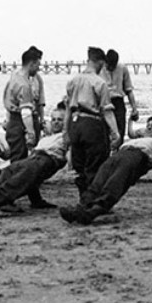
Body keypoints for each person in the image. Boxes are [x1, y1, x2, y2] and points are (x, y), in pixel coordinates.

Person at [59, 116, 152, 225]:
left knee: (115, 182)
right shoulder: (140, 137)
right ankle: (82, 207)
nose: (150, 128)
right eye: (149, 126)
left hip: (137, 156)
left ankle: (94, 211)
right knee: (100, 178)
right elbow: (131, 132)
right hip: (121, 153)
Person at [0, 106, 67, 218]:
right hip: (30, 159)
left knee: (9, 188)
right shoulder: (46, 138)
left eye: (60, 120)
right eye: (54, 120)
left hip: (43, 160)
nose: (56, 123)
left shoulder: (66, 137)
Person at [64, 47, 120, 200]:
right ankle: (91, 199)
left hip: (75, 123)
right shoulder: (99, 82)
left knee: (80, 166)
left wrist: (65, 132)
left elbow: (68, 108)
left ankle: (83, 196)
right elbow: (107, 111)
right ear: (100, 62)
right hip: (92, 123)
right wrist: (116, 132)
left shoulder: (73, 80)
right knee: (95, 164)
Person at [3, 46, 52, 210]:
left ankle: (34, 197)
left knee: (29, 163)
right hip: (22, 122)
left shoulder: (19, 79)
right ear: (31, 63)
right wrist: (30, 132)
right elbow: (24, 111)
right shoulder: (22, 83)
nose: (39, 67)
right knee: (18, 163)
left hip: (25, 120)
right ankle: (7, 200)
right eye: (38, 63)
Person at [100, 49, 139, 141]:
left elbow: (129, 90)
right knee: (104, 131)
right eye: (109, 66)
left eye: (113, 66)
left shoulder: (122, 68)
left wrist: (134, 108)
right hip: (105, 102)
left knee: (120, 130)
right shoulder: (100, 69)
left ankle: (118, 150)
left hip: (118, 102)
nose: (111, 68)